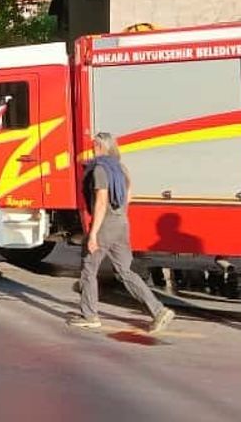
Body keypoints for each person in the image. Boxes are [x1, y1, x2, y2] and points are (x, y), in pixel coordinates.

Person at [69, 132, 175, 333]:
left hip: (105, 224)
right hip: (121, 223)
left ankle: (89, 315)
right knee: (125, 272)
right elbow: (129, 195)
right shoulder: (121, 167)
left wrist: (93, 234)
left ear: (101, 147)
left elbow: (101, 201)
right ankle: (159, 310)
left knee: (89, 268)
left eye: (94, 146)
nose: (93, 149)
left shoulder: (100, 169)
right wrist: (120, 215)